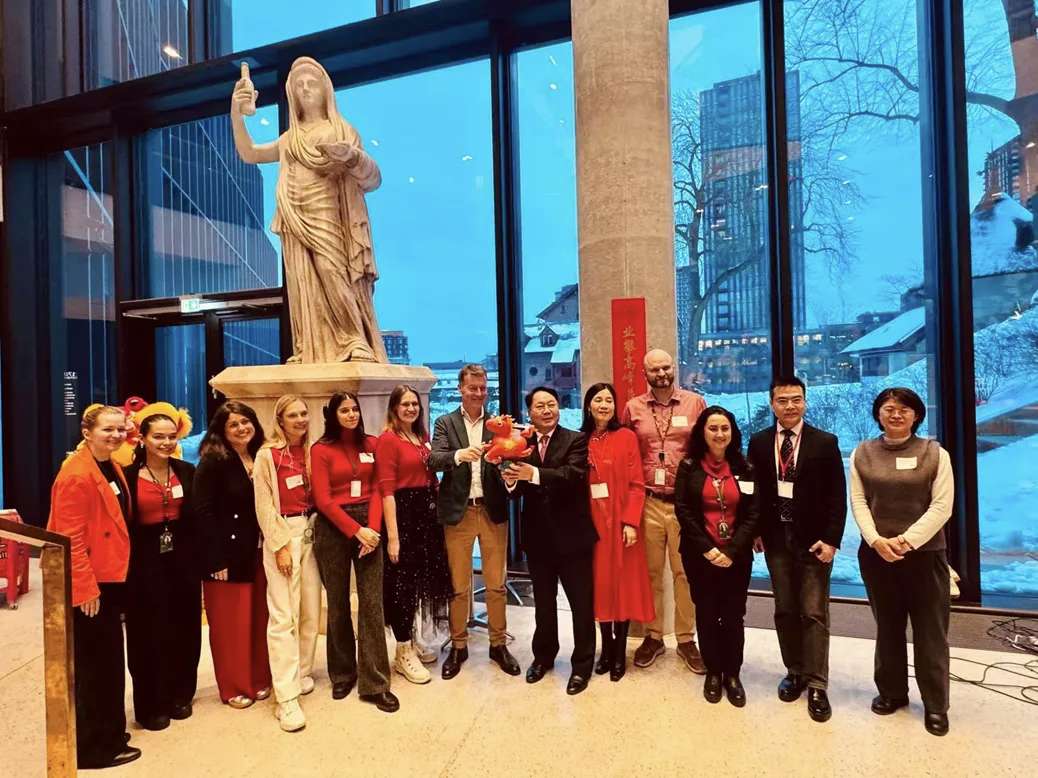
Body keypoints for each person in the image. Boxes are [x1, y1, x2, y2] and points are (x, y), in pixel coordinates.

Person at [230, 56, 387, 363]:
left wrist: (351, 157)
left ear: (325, 89)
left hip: (328, 215)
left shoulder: (341, 130)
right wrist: (237, 113)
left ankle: (354, 339)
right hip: (294, 216)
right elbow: (250, 153)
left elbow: (372, 178)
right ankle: (311, 348)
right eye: (298, 85)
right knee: (304, 284)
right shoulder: (291, 138)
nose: (305, 89)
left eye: (311, 83)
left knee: (332, 271)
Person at [850, 387, 953, 737]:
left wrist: (907, 541)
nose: (896, 414)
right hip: (877, 555)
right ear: (878, 413)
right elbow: (859, 501)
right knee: (888, 627)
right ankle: (892, 693)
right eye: (889, 408)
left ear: (916, 415)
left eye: (904, 409)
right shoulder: (863, 453)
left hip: (924, 556)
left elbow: (942, 506)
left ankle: (936, 704)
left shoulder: (934, 453)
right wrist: (876, 540)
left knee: (930, 632)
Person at [746, 376, 846, 723]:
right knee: (785, 609)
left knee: (814, 612)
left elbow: (837, 495)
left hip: (814, 541)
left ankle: (817, 683)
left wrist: (832, 539)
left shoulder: (824, 442)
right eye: (783, 400)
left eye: (796, 399)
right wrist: (756, 531)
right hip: (776, 539)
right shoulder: (759, 442)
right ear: (772, 403)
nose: (790, 406)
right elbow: (754, 491)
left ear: (805, 401)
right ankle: (795, 671)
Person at [47, 405, 141, 769]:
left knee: (109, 662)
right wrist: (85, 589)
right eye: (107, 429)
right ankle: (94, 748)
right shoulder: (75, 474)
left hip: (111, 576)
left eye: (120, 429)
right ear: (87, 432)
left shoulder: (109, 465)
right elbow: (67, 538)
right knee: (94, 667)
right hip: (93, 584)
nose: (116, 435)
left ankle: (111, 732)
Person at [503, 386, 598, 695]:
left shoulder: (576, 440)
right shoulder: (522, 443)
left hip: (573, 537)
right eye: (540, 406)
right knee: (543, 604)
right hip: (538, 538)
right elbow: (517, 490)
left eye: (551, 404)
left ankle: (581, 665)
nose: (546, 410)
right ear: (529, 412)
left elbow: (572, 475)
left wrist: (532, 473)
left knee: (581, 605)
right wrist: (510, 481)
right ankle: (543, 657)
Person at [429, 364, 520, 680]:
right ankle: (459, 646)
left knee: (496, 584)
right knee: (458, 586)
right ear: (460, 389)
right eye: (473, 388)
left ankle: (498, 644)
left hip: (492, 511)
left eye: (483, 388)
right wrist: (460, 455)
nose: (479, 393)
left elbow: (511, 458)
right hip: (459, 513)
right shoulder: (445, 422)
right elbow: (434, 458)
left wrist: (510, 474)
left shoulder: (499, 424)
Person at [311, 391, 400, 713]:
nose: (351, 415)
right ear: (333, 415)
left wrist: (372, 530)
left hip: (369, 526)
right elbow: (322, 499)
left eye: (354, 409)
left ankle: (376, 683)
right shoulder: (320, 449)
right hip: (333, 527)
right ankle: (342, 673)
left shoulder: (372, 444)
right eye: (344, 410)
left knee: (372, 604)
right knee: (336, 603)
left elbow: (378, 488)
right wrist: (355, 530)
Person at [621, 348, 706, 673]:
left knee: (685, 574)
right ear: (645, 373)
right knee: (652, 573)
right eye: (655, 369)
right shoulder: (633, 408)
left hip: (684, 505)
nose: (662, 374)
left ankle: (686, 638)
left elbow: (706, 449)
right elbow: (626, 453)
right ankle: (654, 635)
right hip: (648, 502)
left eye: (666, 367)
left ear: (674, 368)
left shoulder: (695, 404)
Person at [674, 406, 759, 707]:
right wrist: (708, 549)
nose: (719, 434)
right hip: (700, 555)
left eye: (725, 428)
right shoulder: (689, 467)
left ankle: (732, 673)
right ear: (702, 432)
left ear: (732, 432)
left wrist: (732, 550)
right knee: (707, 613)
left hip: (736, 556)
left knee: (734, 615)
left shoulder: (745, 467)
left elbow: (753, 513)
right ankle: (713, 672)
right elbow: (683, 511)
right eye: (713, 428)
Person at [123, 411, 201, 731]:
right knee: (147, 632)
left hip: (182, 558)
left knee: (185, 627)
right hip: (143, 561)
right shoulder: (126, 476)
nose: (166, 442)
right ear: (142, 439)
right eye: (158, 436)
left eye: (171, 436)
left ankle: (180, 695)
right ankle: (150, 703)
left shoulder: (186, 471)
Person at [194, 401, 273, 711]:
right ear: (222, 431)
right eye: (234, 424)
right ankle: (234, 686)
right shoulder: (213, 461)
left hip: (258, 552)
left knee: (257, 619)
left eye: (245, 421)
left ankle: (258, 677)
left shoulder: (260, 455)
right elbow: (203, 512)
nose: (242, 428)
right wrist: (216, 560)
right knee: (230, 626)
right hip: (226, 557)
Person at [376, 385, 453, 684]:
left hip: (427, 514)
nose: (410, 409)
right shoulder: (388, 440)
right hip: (403, 516)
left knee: (420, 581)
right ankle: (402, 650)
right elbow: (387, 491)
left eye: (415, 404)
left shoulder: (421, 436)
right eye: (405, 404)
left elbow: (430, 474)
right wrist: (393, 537)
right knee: (402, 585)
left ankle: (411, 639)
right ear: (394, 408)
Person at [254, 395, 322, 732]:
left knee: (310, 608)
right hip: (283, 533)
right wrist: (279, 545)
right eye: (293, 415)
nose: (300, 420)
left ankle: (302, 672)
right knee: (283, 616)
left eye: (304, 413)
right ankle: (286, 697)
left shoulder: (312, 451)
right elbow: (264, 504)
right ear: (280, 420)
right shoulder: (267, 455)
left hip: (311, 531)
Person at [582, 383, 654, 682]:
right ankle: (606, 649)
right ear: (588, 406)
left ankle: (620, 650)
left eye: (609, 400)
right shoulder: (580, 440)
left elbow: (637, 484)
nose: (604, 405)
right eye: (598, 400)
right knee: (600, 586)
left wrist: (631, 522)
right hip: (592, 525)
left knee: (622, 587)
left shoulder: (626, 437)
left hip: (622, 525)